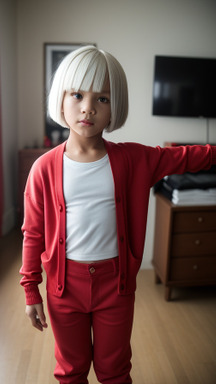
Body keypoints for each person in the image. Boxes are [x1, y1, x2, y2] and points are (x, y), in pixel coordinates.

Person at [20, 45, 216, 384]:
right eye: (78, 94)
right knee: (71, 370)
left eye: (103, 99)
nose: (88, 108)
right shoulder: (43, 169)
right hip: (64, 287)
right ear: (61, 98)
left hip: (116, 285)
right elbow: (33, 233)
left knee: (114, 371)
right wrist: (30, 289)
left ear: (114, 108)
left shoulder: (134, 160)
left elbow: (187, 156)